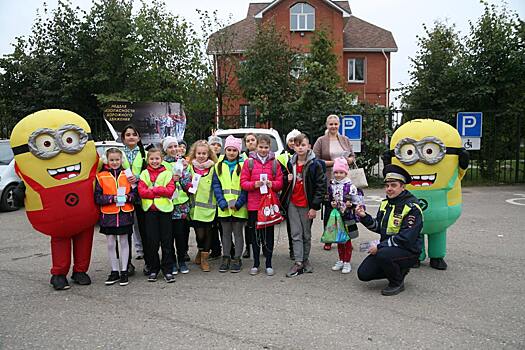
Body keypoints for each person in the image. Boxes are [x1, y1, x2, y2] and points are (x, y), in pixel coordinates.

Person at [355, 164, 423, 296]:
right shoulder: (385, 204)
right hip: (388, 248)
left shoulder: (412, 208)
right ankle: (398, 268)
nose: (389, 189)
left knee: (382, 254)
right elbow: (379, 227)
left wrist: (380, 247)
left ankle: (396, 282)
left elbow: (406, 238)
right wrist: (364, 217)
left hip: (408, 250)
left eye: (393, 185)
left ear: (403, 187)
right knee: (363, 274)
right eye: (387, 186)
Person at [281, 133, 326, 277]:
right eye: (297, 145)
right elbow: (284, 182)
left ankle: (305, 260)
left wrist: (314, 207)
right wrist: (286, 179)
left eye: (303, 145)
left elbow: (321, 187)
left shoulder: (315, 164)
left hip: (307, 204)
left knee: (306, 234)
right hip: (293, 203)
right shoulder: (290, 163)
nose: (300, 148)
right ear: (293, 147)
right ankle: (298, 262)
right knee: (295, 233)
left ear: (309, 147)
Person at [240, 134, 283, 276]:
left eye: (266, 147)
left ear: (270, 147)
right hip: (254, 205)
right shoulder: (249, 163)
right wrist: (254, 184)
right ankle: (256, 263)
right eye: (261, 147)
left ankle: (269, 263)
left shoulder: (275, 163)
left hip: (269, 205)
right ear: (256, 147)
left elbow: (280, 183)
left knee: (268, 235)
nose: (263, 150)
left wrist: (272, 184)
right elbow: (243, 183)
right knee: (255, 235)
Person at [313, 115, 355, 251]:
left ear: (339, 125)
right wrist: (335, 163)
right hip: (328, 180)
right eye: (331, 124)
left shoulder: (345, 139)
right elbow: (315, 160)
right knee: (330, 210)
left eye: (336, 124)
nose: (333, 126)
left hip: (345, 182)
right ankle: (329, 238)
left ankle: (347, 238)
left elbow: (353, 156)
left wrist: (348, 160)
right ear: (327, 125)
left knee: (346, 210)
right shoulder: (321, 141)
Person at [95, 148, 137, 286]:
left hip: (125, 214)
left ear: (121, 160)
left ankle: (124, 271)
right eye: (111, 160)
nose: (114, 162)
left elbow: (135, 194)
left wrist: (127, 197)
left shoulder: (128, 174)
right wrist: (111, 199)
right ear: (107, 160)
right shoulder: (100, 176)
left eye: (117, 160)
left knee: (125, 242)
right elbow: (97, 197)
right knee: (111, 244)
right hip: (108, 216)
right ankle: (114, 271)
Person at [138, 148, 176, 283]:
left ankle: (168, 269)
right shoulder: (144, 174)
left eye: (157, 159)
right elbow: (142, 192)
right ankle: (154, 268)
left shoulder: (167, 173)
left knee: (166, 241)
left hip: (164, 211)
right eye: (152, 159)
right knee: (152, 242)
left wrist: (154, 189)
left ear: (162, 159)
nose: (154, 161)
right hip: (150, 212)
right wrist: (160, 191)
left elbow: (170, 191)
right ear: (148, 160)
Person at [212, 136, 248, 273]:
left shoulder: (244, 166)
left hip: (239, 207)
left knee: (238, 233)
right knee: (225, 234)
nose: (231, 152)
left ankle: (237, 258)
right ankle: (226, 257)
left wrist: (239, 203)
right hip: (224, 207)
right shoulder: (218, 166)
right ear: (225, 150)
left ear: (238, 151)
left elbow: (245, 187)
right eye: (229, 150)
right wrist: (221, 202)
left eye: (234, 150)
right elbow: (216, 186)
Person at [162, 137, 192, 275]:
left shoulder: (184, 163)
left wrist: (184, 173)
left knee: (181, 235)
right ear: (165, 150)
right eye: (170, 147)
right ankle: (172, 261)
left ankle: (182, 260)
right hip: (167, 204)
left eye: (176, 146)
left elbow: (188, 184)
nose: (174, 149)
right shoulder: (161, 164)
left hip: (181, 204)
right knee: (168, 236)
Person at [328, 158, 363, 274]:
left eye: (341, 172)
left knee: (347, 240)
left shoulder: (351, 186)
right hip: (337, 216)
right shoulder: (332, 185)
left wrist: (351, 204)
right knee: (339, 239)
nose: (338, 175)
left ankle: (347, 262)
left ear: (346, 173)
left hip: (348, 217)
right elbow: (329, 198)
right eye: (336, 172)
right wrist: (331, 203)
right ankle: (341, 260)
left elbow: (357, 201)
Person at [121, 124, 147, 275]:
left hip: (140, 192)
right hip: (124, 193)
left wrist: (137, 178)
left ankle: (143, 251)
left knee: (141, 224)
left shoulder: (144, 153)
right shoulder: (119, 153)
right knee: (126, 227)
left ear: (138, 138)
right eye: (128, 134)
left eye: (133, 134)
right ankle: (127, 260)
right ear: (123, 138)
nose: (131, 137)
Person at [188, 140, 218, 272]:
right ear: (194, 154)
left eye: (204, 153)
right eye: (199, 153)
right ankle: (200, 250)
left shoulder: (214, 168)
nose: (201, 156)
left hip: (210, 208)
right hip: (195, 208)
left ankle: (205, 258)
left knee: (208, 233)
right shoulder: (189, 167)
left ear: (209, 154)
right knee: (199, 234)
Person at [278, 129, 301, 260]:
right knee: (291, 225)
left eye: (296, 141)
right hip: (288, 196)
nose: (294, 143)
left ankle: (302, 249)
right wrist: (286, 177)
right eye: (291, 141)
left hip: (302, 195)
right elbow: (278, 176)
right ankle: (293, 249)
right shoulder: (281, 157)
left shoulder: (306, 156)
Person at [208, 135, 225, 260]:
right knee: (212, 226)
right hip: (208, 199)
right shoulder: (204, 159)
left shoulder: (224, 159)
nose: (216, 147)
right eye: (213, 144)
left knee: (223, 226)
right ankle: (215, 249)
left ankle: (230, 249)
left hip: (221, 197)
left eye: (218, 145)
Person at [241, 133, 258, 258]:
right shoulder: (241, 157)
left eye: (253, 140)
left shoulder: (261, 155)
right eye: (248, 140)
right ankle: (248, 247)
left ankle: (261, 243)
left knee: (259, 221)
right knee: (248, 223)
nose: (250, 142)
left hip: (257, 194)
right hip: (243, 193)